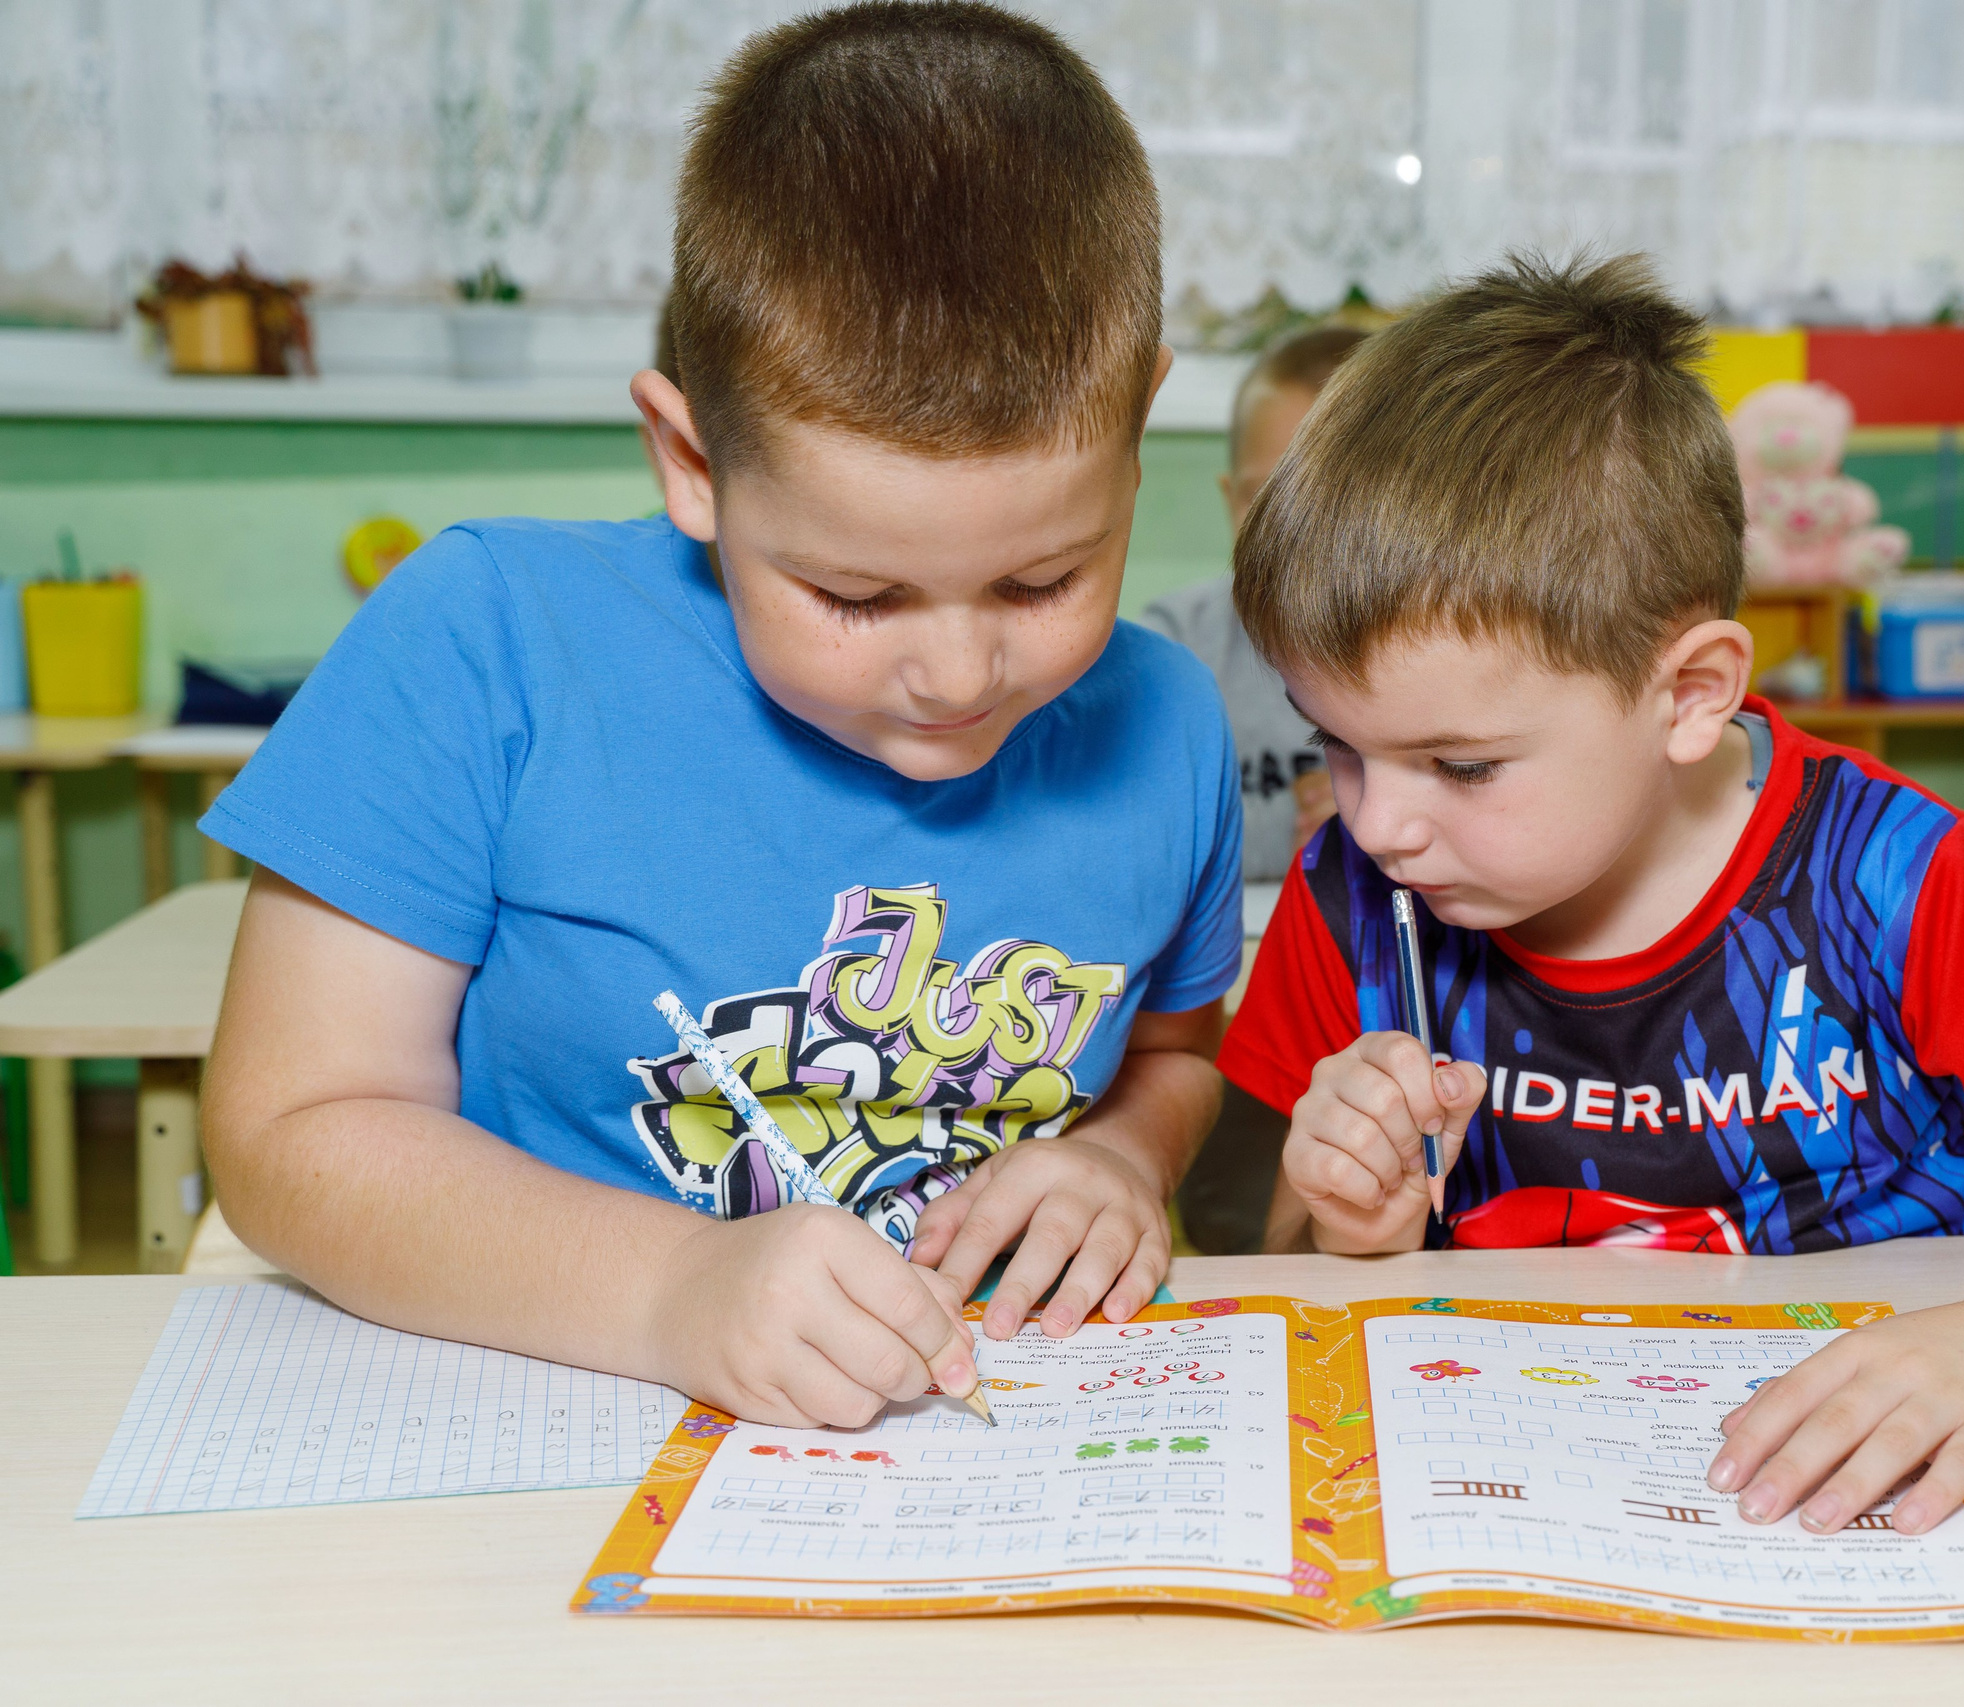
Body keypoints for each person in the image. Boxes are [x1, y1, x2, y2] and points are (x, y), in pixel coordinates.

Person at [198, 4, 1240, 1432]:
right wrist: (671, 1290)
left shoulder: (1168, 723)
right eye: (857, 594)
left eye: (1042, 578)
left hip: (990, 1444)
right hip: (542, 1422)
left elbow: (1176, 1055)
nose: (958, 673)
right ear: (691, 460)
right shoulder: (488, 640)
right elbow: (291, 1133)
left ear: (1139, 431)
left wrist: (1124, 1155)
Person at [1218, 254, 1964, 1538]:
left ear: (1690, 694)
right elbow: (1294, 1261)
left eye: (1461, 765)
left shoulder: (1899, 882)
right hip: (1532, 1499)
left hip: (1875, 1508)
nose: (1379, 823)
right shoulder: (1351, 897)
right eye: (1336, 744)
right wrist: (1353, 1223)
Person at [1141, 323, 1369, 882]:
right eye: (1263, 501)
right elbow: (1139, 836)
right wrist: (1299, 835)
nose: (1290, 535)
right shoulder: (1175, 644)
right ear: (1229, 500)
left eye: (1334, 503)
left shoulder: (1435, 649)